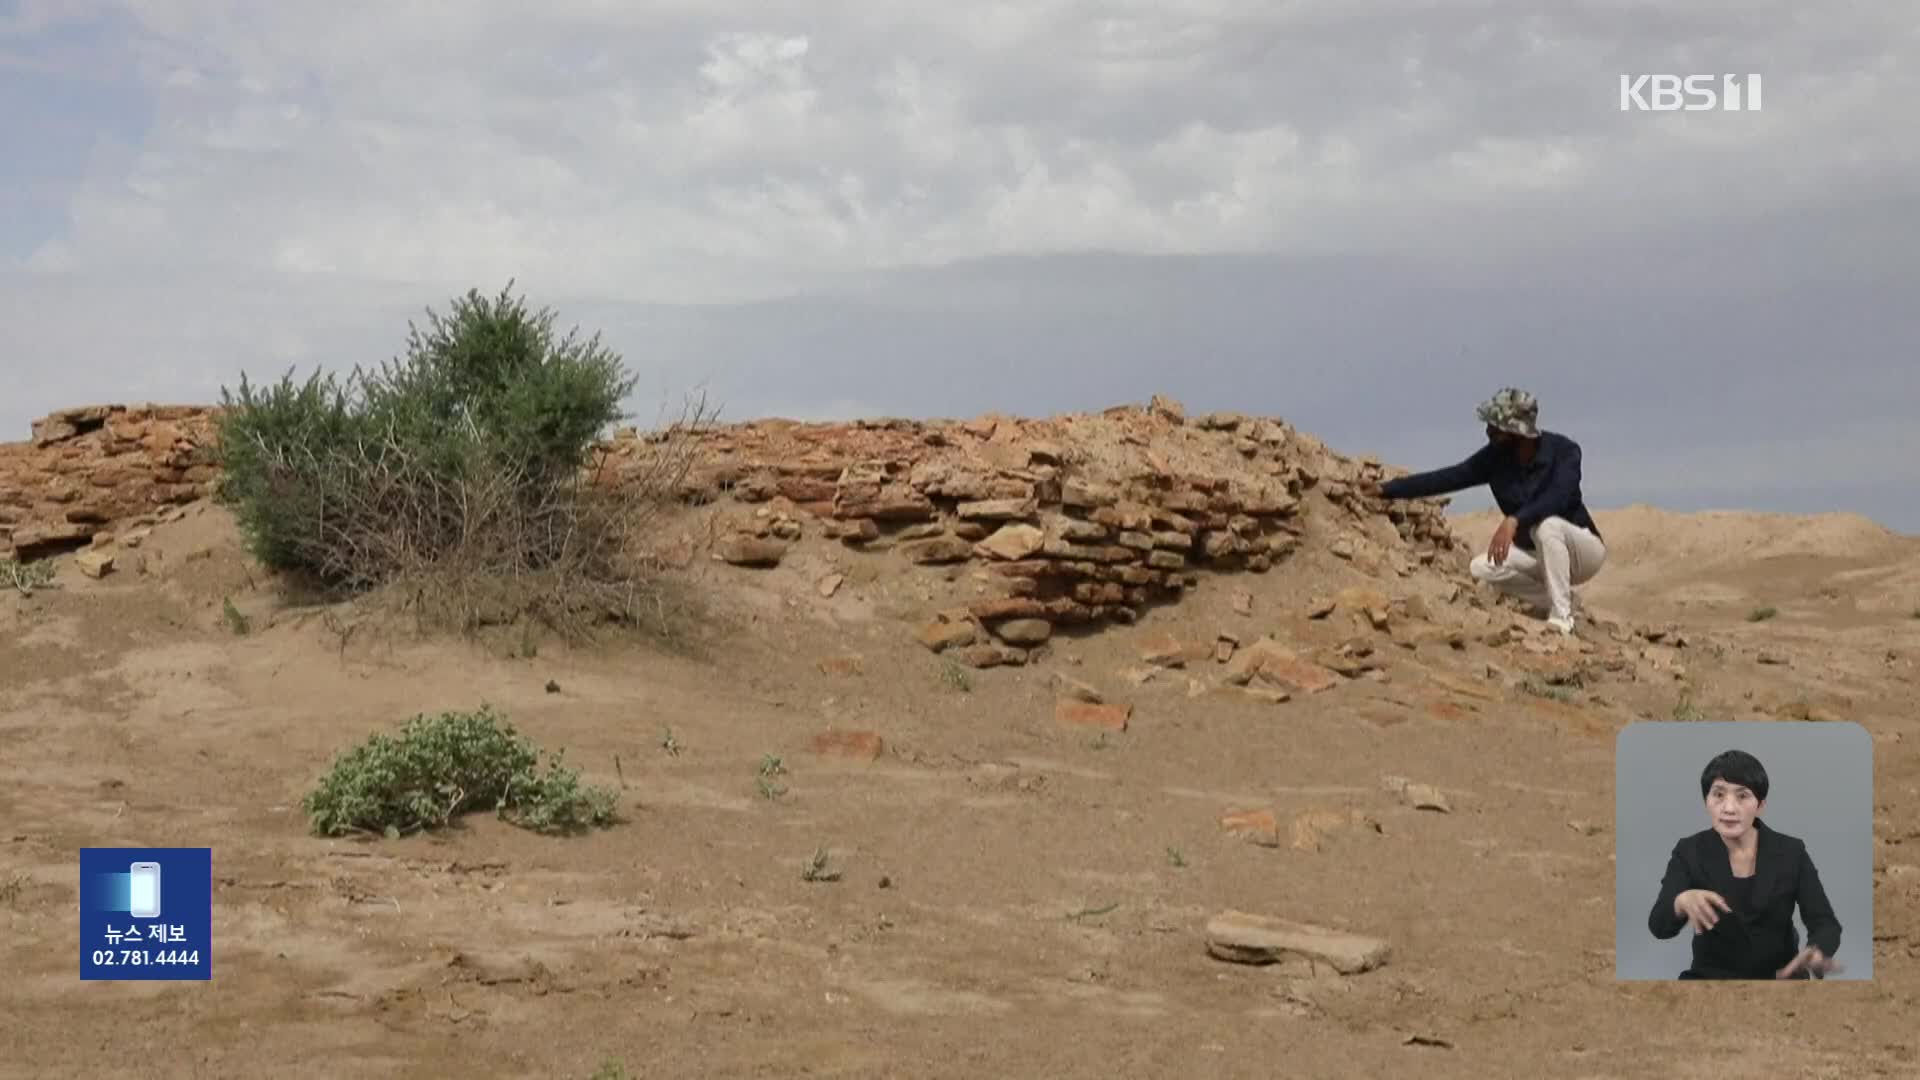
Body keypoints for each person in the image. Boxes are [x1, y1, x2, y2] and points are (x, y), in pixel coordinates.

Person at [1360, 388, 1605, 634]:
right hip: (1536, 552)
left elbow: (1558, 496)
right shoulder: (1494, 460)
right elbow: (1446, 478)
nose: (1488, 431)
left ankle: (1561, 620)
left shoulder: (1564, 451)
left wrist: (1515, 520)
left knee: (1547, 526)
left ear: (1515, 431)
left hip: (1581, 551)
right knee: (1482, 568)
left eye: (1495, 427)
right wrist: (1386, 489)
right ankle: (1561, 600)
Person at [1646, 749, 1844, 980]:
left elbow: (1825, 923)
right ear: (1706, 801)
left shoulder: (1792, 851)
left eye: (1742, 796)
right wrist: (1680, 902)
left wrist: (1817, 951)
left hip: (1779, 981)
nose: (1729, 808)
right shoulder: (1689, 851)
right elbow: (1658, 925)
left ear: (1760, 805)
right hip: (1709, 982)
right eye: (1718, 794)